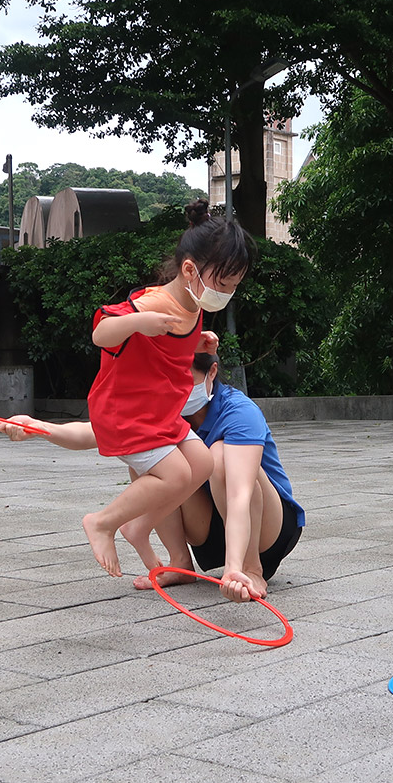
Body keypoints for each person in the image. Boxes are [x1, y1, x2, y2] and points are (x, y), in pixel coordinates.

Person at [0, 352, 305, 602]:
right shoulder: (163, 408)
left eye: (187, 379)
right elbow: (96, 432)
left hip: (267, 529)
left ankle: (252, 567)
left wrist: (237, 567)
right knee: (151, 457)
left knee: (220, 458)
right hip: (213, 532)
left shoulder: (238, 412)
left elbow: (239, 495)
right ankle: (180, 563)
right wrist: (37, 427)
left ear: (211, 373)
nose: (178, 389)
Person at [81, 206, 254, 579]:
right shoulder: (157, 303)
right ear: (190, 270)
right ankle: (102, 522)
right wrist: (139, 322)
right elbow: (101, 334)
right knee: (175, 475)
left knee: (203, 463)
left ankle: (138, 527)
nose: (226, 294)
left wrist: (199, 343)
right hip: (127, 412)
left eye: (233, 286)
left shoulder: (193, 302)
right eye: (222, 285)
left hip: (159, 412)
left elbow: (166, 352)